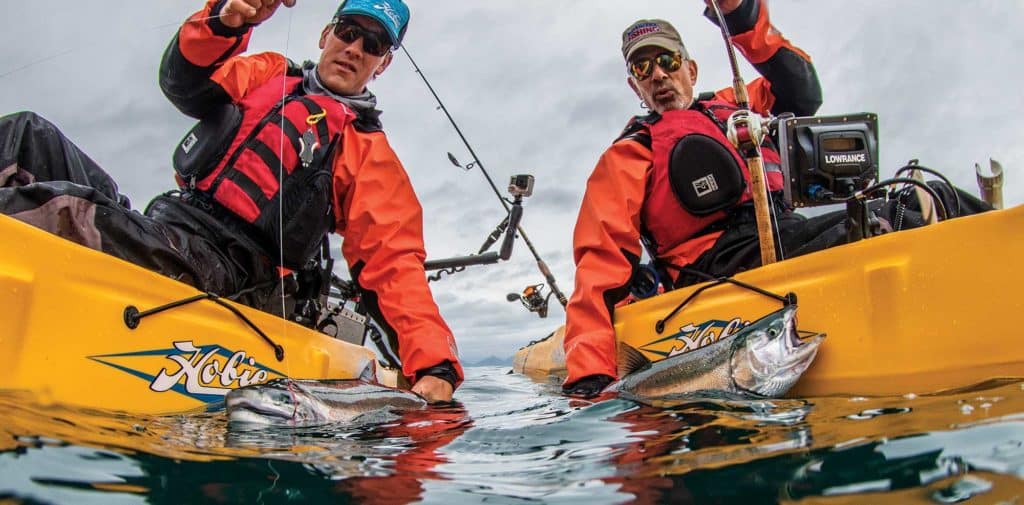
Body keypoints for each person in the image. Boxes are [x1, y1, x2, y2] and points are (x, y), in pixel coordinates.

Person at [0, 0, 462, 402]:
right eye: (349, 32)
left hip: (234, 270)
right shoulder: (268, 72)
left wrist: (435, 367)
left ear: (382, 65)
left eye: (374, 45)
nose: (355, 48)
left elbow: (394, 262)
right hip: (169, 226)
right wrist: (224, 22)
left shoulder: (368, 153)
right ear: (327, 35)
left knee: (64, 211)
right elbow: (185, 83)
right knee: (24, 133)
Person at [560, 0, 988, 398]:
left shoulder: (736, 104)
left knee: (929, 198)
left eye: (668, 61)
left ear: (690, 68)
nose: (658, 75)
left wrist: (742, 14)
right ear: (635, 85)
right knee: (895, 219)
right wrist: (590, 379)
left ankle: (992, 277)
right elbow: (599, 265)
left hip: (787, 233)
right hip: (713, 266)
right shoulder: (628, 153)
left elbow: (801, 90)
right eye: (642, 67)